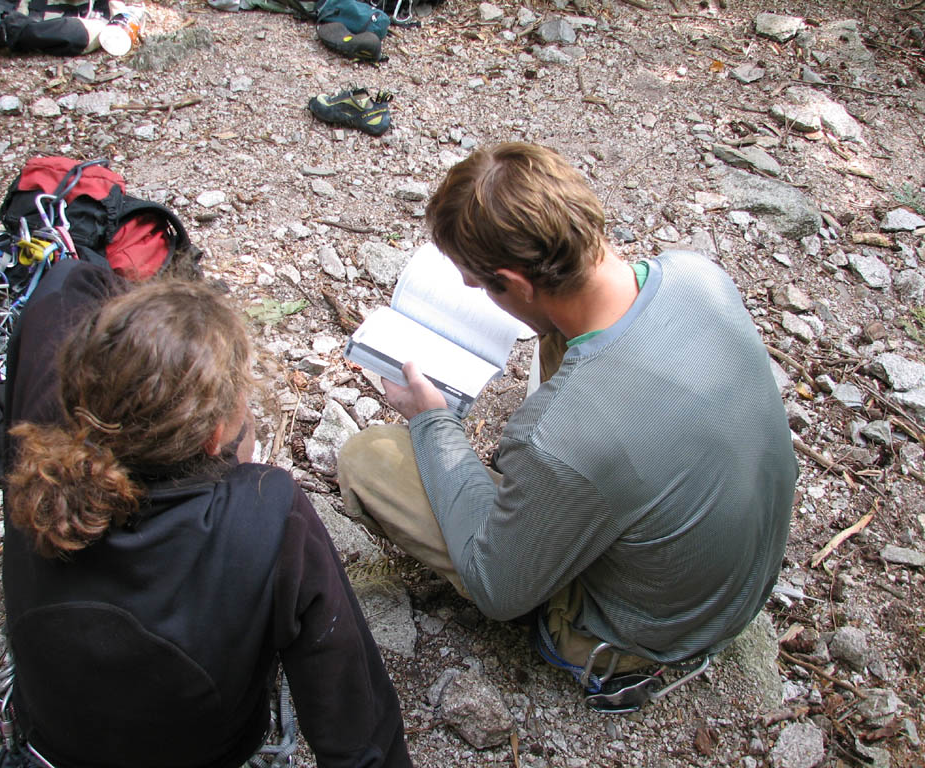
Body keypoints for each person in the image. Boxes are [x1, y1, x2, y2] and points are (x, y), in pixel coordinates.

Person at [337, 142, 798, 674]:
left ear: (512, 283)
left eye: (479, 284)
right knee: (560, 339)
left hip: (639, 634)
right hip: (731, 588)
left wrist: (432, 421)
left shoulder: (557, 440)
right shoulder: (698, 275)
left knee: (369, 455)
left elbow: (497, 592)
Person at [0, 259, 411, 768]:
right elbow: (351, 710)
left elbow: (63, 282)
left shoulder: (38, 463)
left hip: (48, 744)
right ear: (214, 435)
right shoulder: (266, 513)